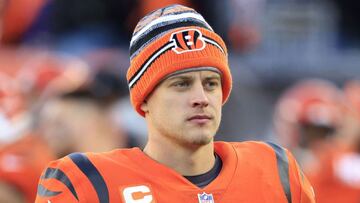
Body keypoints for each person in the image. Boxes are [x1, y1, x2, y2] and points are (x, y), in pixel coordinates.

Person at [35, 4, 315, 203]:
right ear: (144, 99)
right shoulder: (86, 182)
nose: (201, 98)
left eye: (211, 83)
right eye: (180, 84)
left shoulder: (276, 170)